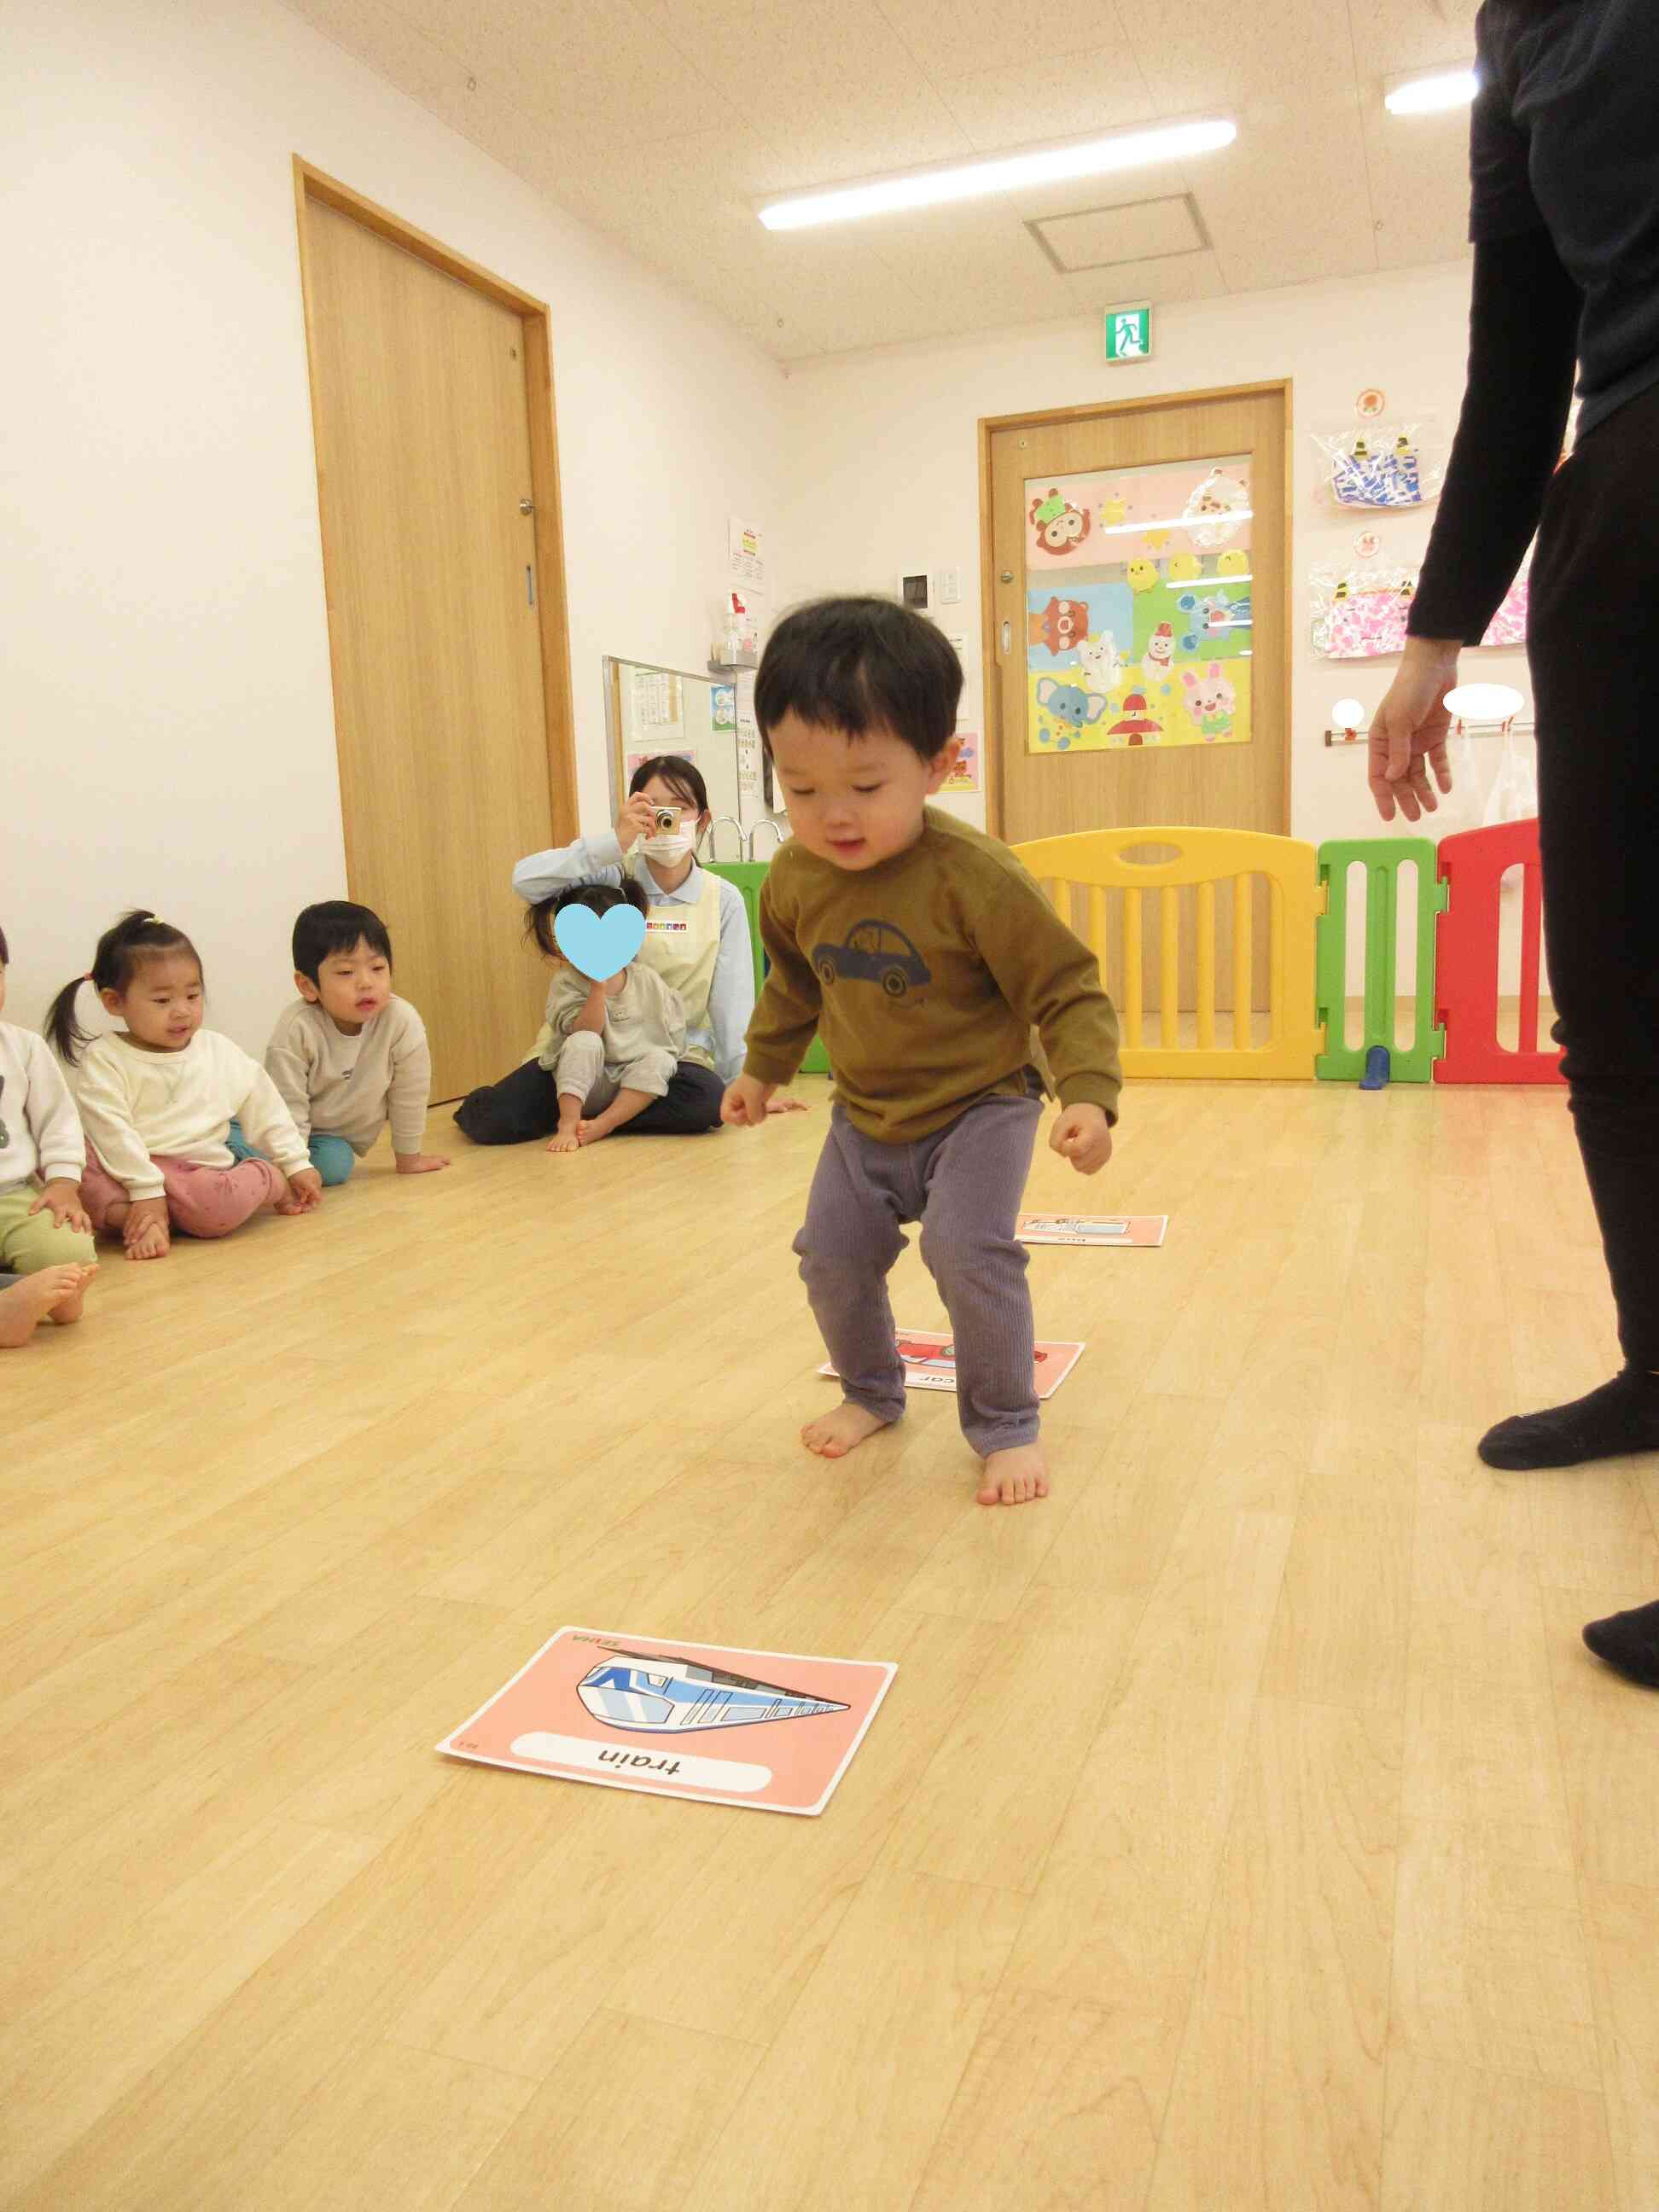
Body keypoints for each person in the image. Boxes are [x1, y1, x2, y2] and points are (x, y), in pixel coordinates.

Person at [1366, 0, 1659, 1688]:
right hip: (1624, 489)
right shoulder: (1520, 29)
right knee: (1612, 1013)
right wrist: (1435, 637)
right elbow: (1517, 353)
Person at [721, 597, 1122, 1508]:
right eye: (801, 788)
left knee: (965, 1250)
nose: (834, 815)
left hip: (981, 1103)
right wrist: (761, 1070)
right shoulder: (791, 877)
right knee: (829, 1254)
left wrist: (1089, 1097)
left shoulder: (973, 876)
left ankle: (1006, 1423)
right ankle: (870, 1391)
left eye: (866, 787)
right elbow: (794, 984)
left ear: (940, 765)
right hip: (864, 1115)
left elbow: (1066, 988)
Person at [455, 754, 800, 1142]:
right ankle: (605, 1103)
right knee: (491, 1120)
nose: (666, 819)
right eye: (652, 808)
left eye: (680, 808)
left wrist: (744, 1083)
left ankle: (598, 1114)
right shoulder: (612, 877)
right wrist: (613, 842)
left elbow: (732, 1003)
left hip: (667, 1055)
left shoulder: (724, 899)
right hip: (586, 1047)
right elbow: (525, 881)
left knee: (706, 1102)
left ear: (702, 819)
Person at [47, 911, 322, 1260]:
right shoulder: (105, 1058)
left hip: (194, 1175)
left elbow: (265, 1107)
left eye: (192, 996)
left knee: (213, 1205)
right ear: (114, 1002)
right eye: (163, 1001)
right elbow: (110, 1132)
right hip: (127, 1171)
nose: (182, 1011)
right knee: (65, 1167)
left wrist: (294, 1162)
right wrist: (146, 1190)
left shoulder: (217, 1050)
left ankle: (266, 1180)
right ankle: (144, 1217)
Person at [236, 900, 449, 1186]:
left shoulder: (400, 1020)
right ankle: (227, 1144)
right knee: (257, 1150)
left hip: (326, 1139)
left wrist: (409, 1158)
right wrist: (292, 1171)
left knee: (335, 1165)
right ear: (308, 986)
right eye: (346, 972)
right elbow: (287, 1106)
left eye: (377, 967)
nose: (365, 982)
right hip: (272, 1125)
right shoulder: (297, 1029)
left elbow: (410, 1092)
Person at [532, 880, 689, 1152]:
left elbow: (674, 1037)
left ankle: (605, 1124)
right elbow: (587, 1030)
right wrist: (598, 986)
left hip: (633, 1084)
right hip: (587, 1081)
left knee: (661, 1060)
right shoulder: (567, 982)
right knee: (584, 1041)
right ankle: (568, 1123)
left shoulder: (646, 979)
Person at [0, 920, 97, 1337]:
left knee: (68, 1245)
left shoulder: (22, 1048)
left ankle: (41, 1293)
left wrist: (62, 1183)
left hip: (13, 1195)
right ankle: (11, 1306)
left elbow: (58, 1121)